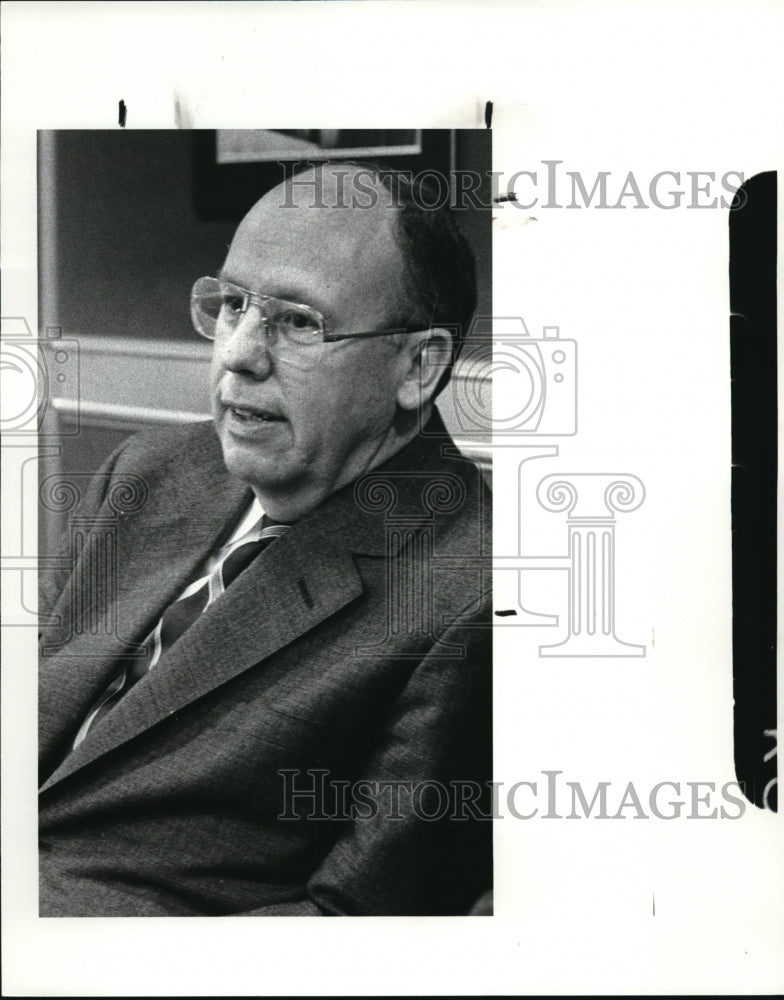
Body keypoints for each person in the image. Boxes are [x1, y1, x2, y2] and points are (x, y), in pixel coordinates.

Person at [38, 163, 492, 917]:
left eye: (298, 321)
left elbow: (351, 929)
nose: (238, 353)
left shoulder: (468, 594)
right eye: (233, 305)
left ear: (419, 367)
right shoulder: (147, 474)